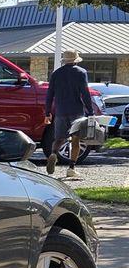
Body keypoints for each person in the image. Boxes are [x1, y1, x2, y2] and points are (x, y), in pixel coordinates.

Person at [45, 49, 93, 180]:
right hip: (76, 111)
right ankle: (71, 168)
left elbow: (49, 95)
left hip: (60, 111)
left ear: (64, 61)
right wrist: (90, 111)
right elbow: (85, 93)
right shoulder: (81, 73)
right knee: (76, 140)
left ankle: (54, 153)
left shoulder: (56, 74)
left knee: (59, 139)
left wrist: (47, 112)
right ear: (76, 60)